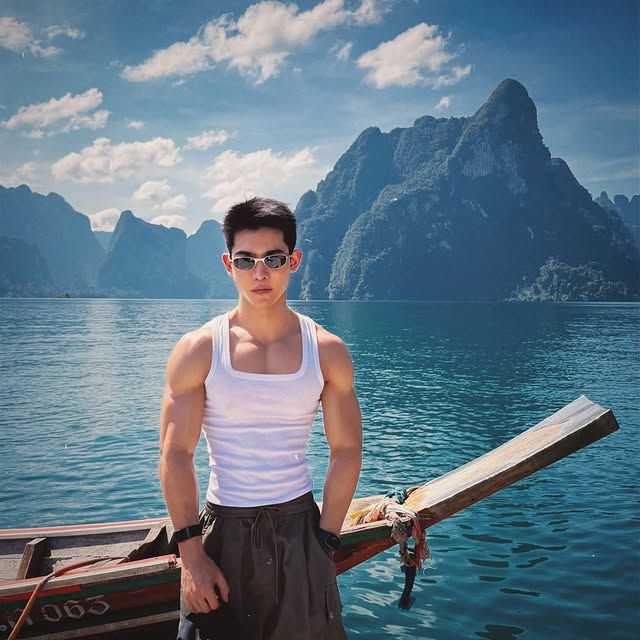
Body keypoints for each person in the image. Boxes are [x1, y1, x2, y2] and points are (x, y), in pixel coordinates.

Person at [159, 197, 363, 640]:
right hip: (221, 533)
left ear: (294, 261)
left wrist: (326, 541)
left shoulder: (326, 351)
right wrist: (191, 556)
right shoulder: (199, 350)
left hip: (300, 529)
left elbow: (347, 450)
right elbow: (175, 454)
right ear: (227, 264)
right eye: (245, 260)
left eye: (273, 259)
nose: (260, 273)